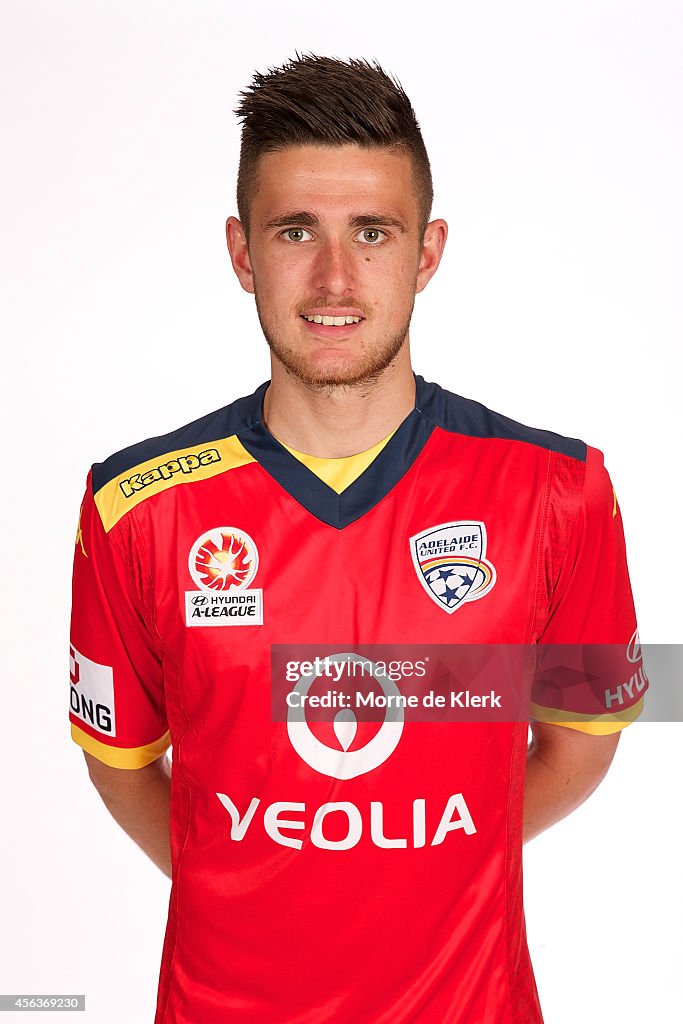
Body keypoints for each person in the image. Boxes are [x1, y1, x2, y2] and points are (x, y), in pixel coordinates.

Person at [69, 55, 646, 1023]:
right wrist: (259, 872)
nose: (333, 277)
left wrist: (431, 871)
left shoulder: (560, 491)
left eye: (371, 233)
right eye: (296, 230)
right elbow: (119, 765)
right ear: (241, 252)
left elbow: (580, 747)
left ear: (426, 252)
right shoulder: (132, 506)